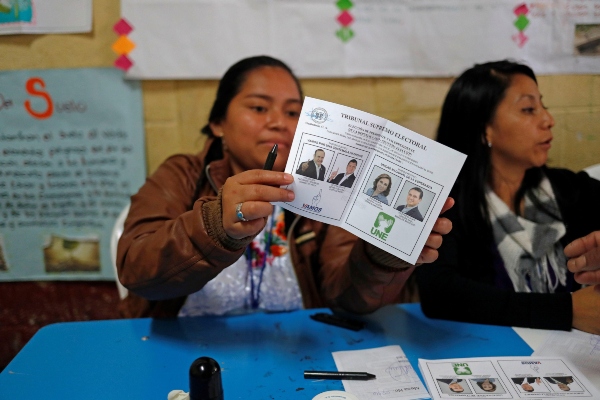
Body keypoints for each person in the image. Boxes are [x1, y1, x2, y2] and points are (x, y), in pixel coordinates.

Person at [116, 55, 454, 318]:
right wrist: (216, 225)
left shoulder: (324, 186)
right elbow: (136, 268)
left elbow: (348, 299)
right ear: (218, 123)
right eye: (259, 108)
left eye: (294, 113)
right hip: (186, 349)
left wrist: (382, 255)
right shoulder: (185, 173)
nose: (280, 122)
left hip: (294, 351)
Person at [416, 59, 600, 334]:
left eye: (543, 106)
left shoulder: (568, 188)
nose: (549, 120)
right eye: (528, 109)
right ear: (484, 128)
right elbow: (440, 296)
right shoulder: (448, 203)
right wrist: (568, 310)